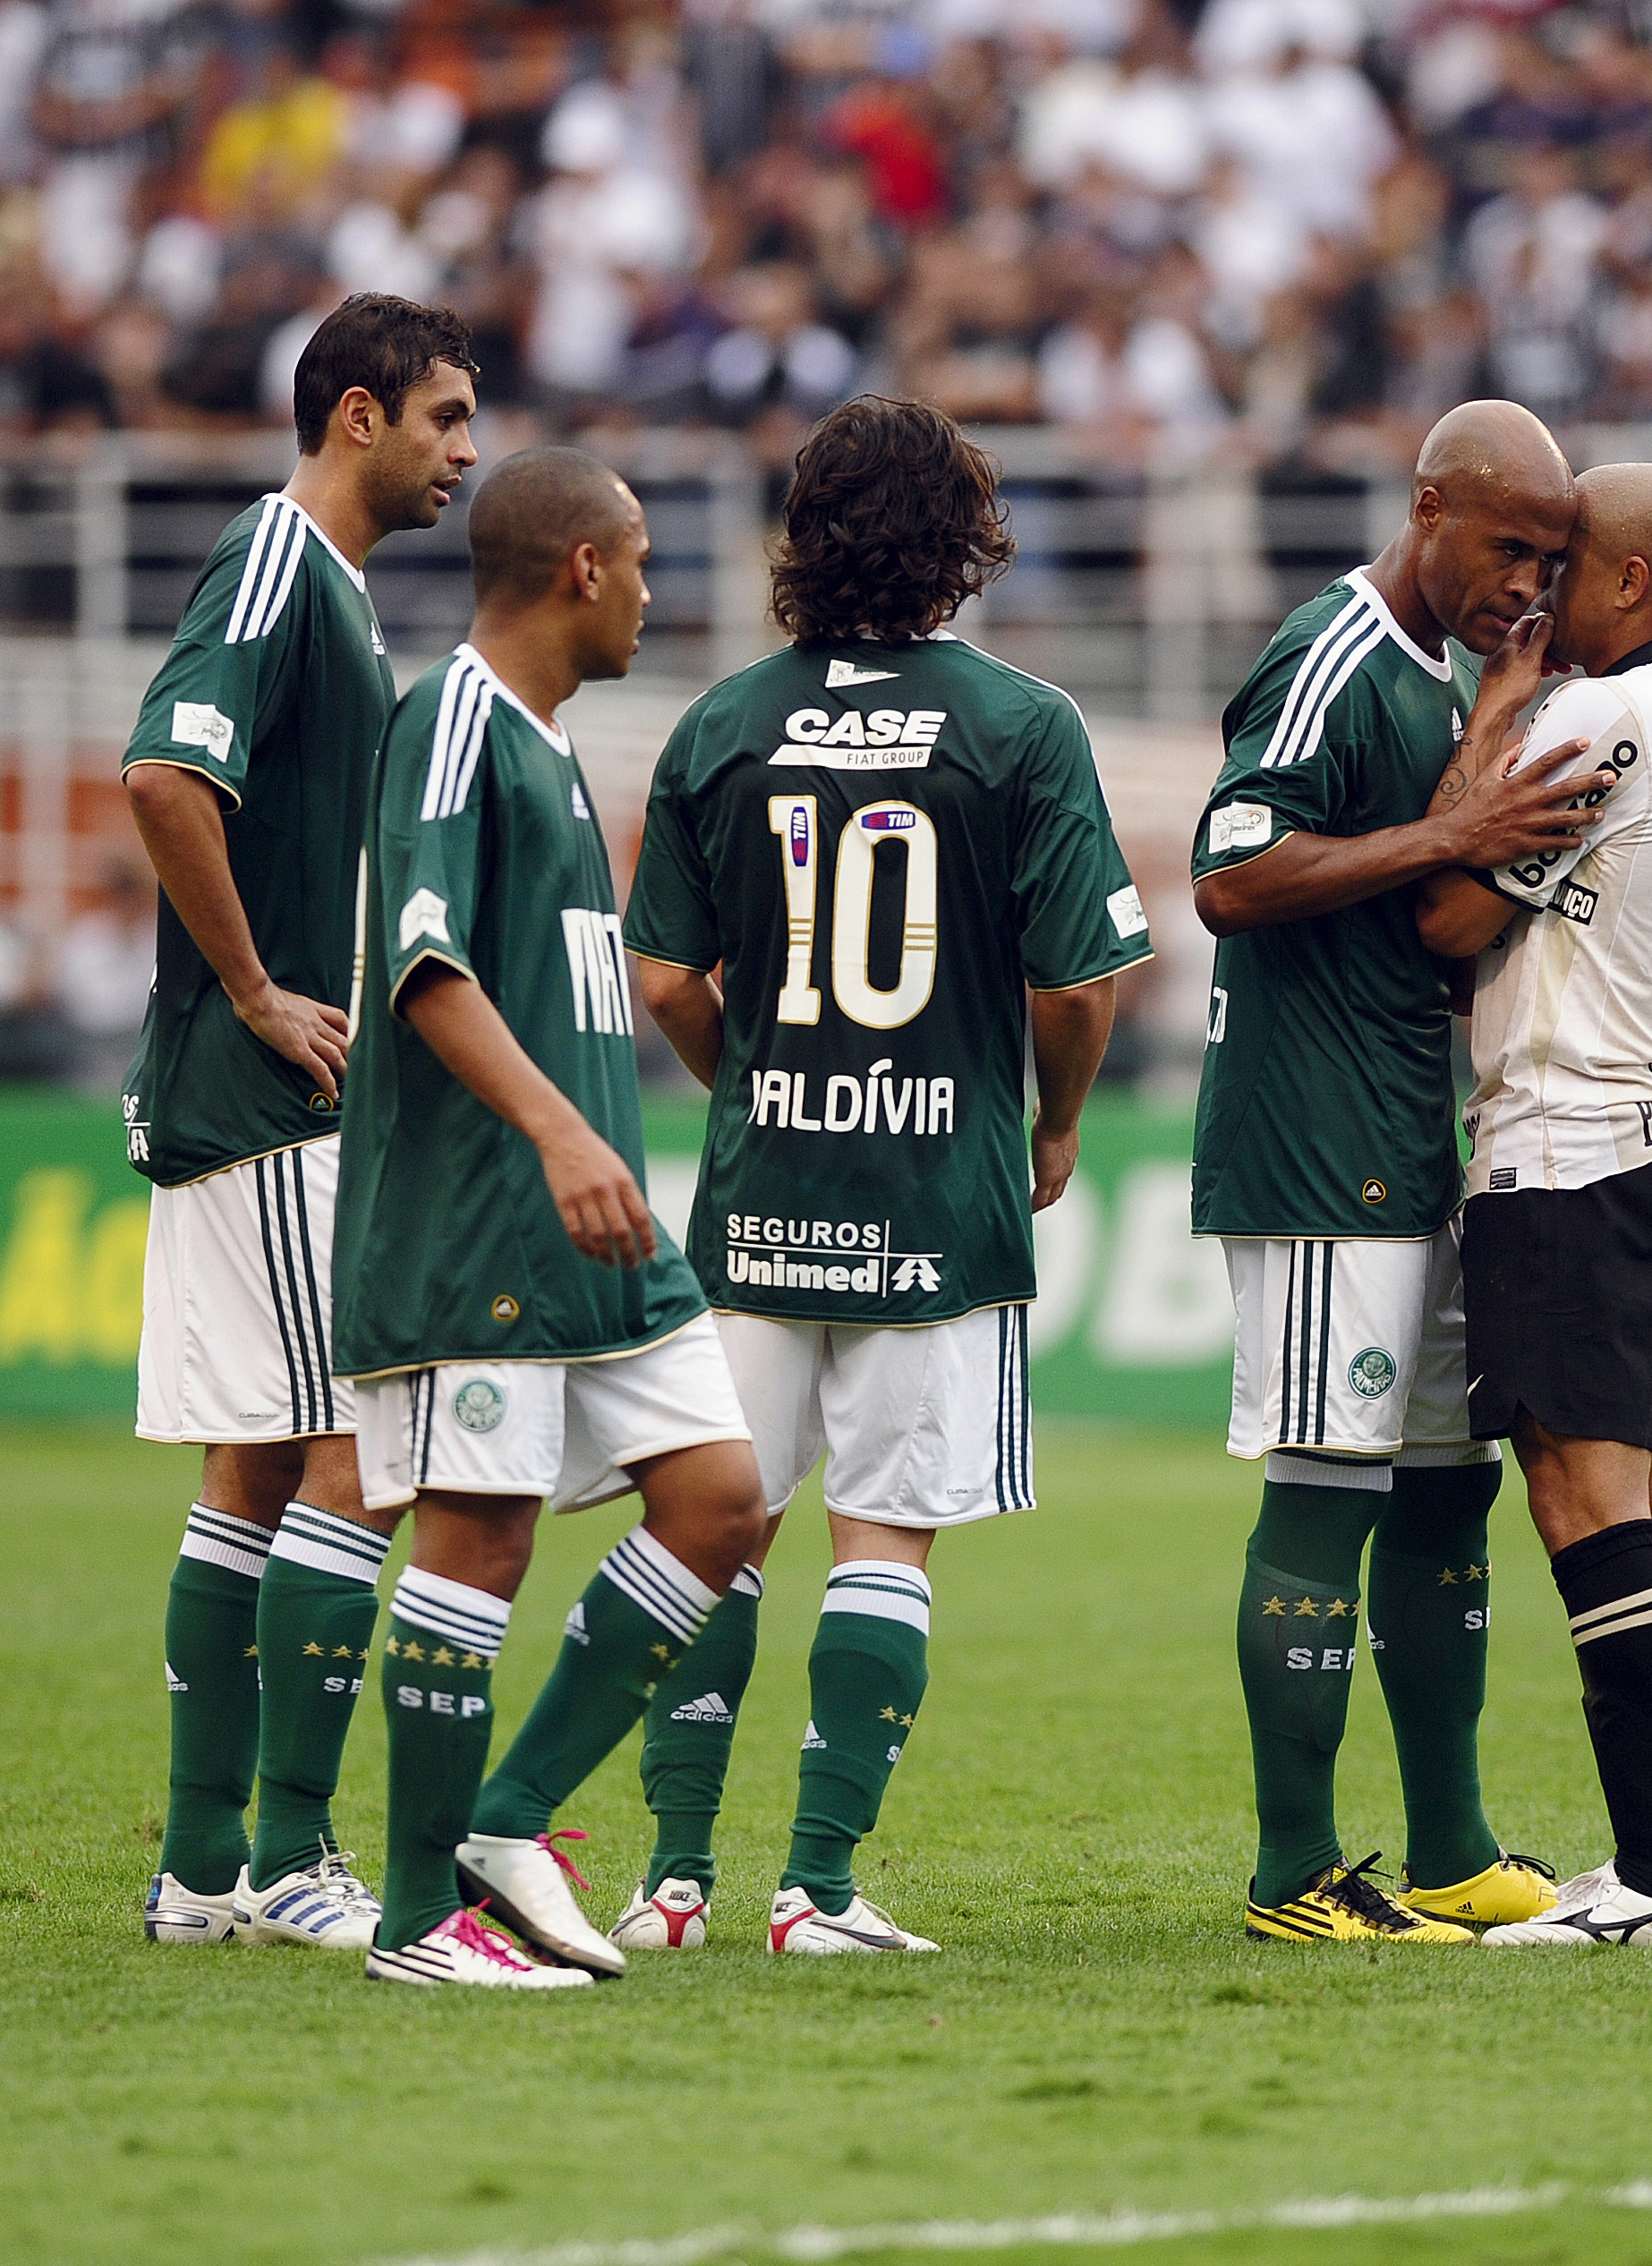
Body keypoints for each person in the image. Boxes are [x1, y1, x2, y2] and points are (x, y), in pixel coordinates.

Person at [613, 397, 1152, 1956]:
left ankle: (665, 1882)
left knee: (713, 1530)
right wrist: (1051, 1126)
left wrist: (758, 1092)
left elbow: (661, 980)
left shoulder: (719, 722)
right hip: (935, 1191)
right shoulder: (1020, 726)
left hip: (759, 1195)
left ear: (801, 541)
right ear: (962, 543)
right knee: (884, 1539)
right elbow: (1072, 984)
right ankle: (819, 1889)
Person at [328, 448, 772, 1989]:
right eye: (641, 560)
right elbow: (423, 961)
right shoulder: (450, 722)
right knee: (479, 1534)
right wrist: (560, 1126)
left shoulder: (545, 741)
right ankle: (412, 1923)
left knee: (722, 1496)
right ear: (581, 566)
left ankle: (503, 1824)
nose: (655, 593)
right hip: (477, 1219)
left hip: (590, 1225)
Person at [1188, 400, 1608, 1945]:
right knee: (1326, 1487)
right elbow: (1229, 872)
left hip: (1409, 1138)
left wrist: (1483, 747)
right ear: (1427, 506)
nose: (1526, 584)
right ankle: (1291, 1869)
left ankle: (1448, 1848)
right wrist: (1462, 825)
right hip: (1309, 1148)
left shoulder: (1436, 678)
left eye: (1549, 563)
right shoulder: (1328, 650)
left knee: (1447, 1489)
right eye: (1507, 548)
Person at [125, 294, 480, 1957]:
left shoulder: (332, 591)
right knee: (355, 1457)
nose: (464, 453)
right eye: (442, 418)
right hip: (276, 1093)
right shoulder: (275, 564)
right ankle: (281, 1856)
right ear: (355, 415)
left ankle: (203, 1872)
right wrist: (265, 992)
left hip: (278, 1092)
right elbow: (160, 774)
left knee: (263, 1460)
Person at [1412, 462, 1652, 1953]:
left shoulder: (1590, 714)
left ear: (1628, 584)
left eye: (1566, 573)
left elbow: (1443, 909)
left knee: (1580, 1502)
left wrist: (1492, 709)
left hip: (1573, 1147)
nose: (1535, 601)